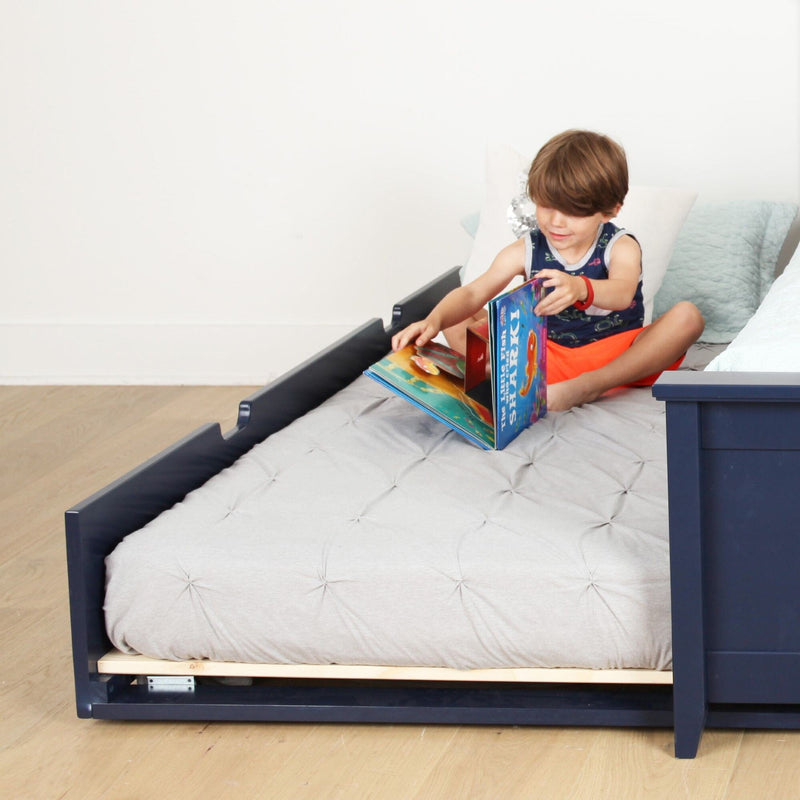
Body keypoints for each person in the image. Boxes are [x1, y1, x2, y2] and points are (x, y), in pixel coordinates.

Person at [391, 130, 705, 411]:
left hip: (613, 357)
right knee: (462, 315)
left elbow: (623, 293)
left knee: (688, 317)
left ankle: (588, 386)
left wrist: (581, 288)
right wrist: (433, 320)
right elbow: (474, 291)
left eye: (573, 212)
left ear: (609, 210)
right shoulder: (527, 248)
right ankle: (503, 374)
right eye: (547, 206)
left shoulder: (620, 246)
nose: (556, 222)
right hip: (540, 356)